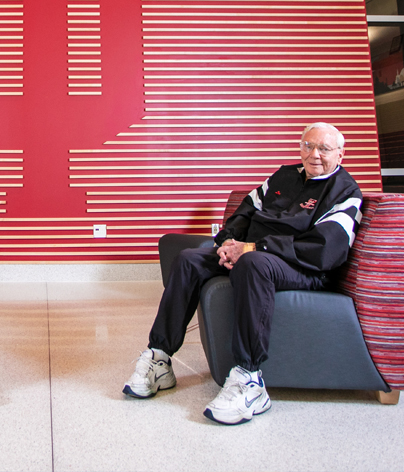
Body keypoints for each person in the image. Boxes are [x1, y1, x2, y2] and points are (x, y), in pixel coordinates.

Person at [123, 122, 361, 425]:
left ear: (340, 153)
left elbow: (326, 249)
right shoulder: (283, 176)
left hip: (302, 266)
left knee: (253, 263)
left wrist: (252, 248)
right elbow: (245, 212)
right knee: (188, 260)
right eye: (307, 145)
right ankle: (159, 357)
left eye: (324, 149)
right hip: (252, 251)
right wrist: (227, 243)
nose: (314, 154)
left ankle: (249, 379)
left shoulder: (345, 192)